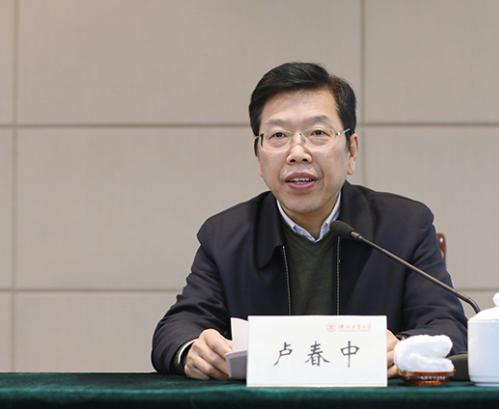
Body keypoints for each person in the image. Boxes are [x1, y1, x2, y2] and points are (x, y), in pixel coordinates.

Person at [151, 62, 467, 380]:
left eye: (318, 133)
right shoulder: (225, 236)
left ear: (351, 150)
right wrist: (193, 350)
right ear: (259, 156)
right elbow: (176, 329)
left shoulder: (404, 227)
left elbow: (448, 327)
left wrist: (404, 350)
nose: (297, 152)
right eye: (278, 135)